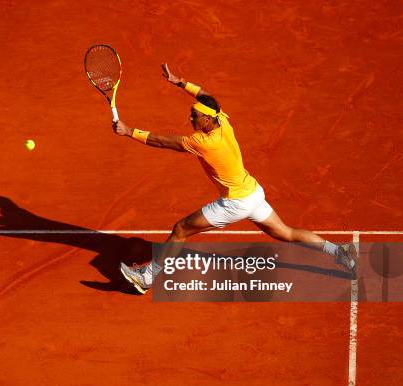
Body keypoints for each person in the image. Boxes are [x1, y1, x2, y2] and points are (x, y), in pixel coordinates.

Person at [114, 63, 358, 294]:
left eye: (195, 116)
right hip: (253, 193)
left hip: (235, 203)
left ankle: (147, 277)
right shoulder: (223, 121)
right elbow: (207, 96)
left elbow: (163, 141)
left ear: (207, 120)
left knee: (181, 229)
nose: (191, 119)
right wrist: (180, 82)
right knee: (286, 232)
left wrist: (128, 132)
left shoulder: (203, 142)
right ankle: (339, 252)